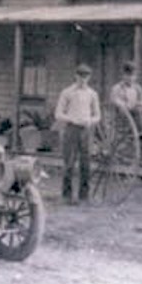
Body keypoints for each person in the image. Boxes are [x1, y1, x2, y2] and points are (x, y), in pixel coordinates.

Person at [55, 64, 101, 205]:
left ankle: (84, 196)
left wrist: (91, 121)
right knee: (69, 162)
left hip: (86, 130)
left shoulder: (92, 94)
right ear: (75, 76)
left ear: (89, 77)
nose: (83, 79)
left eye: (86, 76)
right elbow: (58, 114)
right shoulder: (67, 92)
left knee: (86, 164)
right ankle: (66, 195)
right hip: (71, 129)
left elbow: (98, 115)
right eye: (80, 76)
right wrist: (71, 119)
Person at [110, 60, 142, 132]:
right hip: (123, 114)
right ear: (123, 75)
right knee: (138, 112)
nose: (131, 78)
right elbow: (114, 100)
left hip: (137, 111)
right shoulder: (117, 88)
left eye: (133, 76)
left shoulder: (137, 88)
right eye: (128, 75)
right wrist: (124, 105)